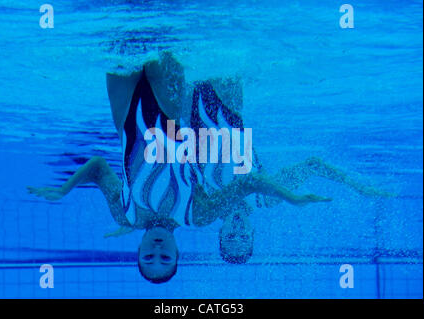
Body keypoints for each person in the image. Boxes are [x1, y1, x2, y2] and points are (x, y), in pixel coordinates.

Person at [28, 52, 390, 282]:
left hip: (178, 117)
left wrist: (130, 221)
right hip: (226, 114)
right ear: (251, 234)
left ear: (218, 233)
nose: (234, 230)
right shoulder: (247, 202)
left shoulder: (197, 208)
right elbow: (282, 174)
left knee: (143, 43)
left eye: (228, 237)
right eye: (241, 237)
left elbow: (154, 186)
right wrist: (356, 186)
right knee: (215, 42)